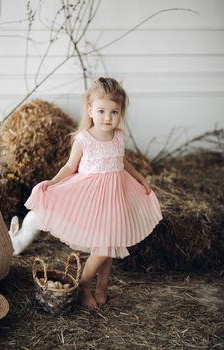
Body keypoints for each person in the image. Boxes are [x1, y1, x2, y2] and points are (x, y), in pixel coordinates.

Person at [24, 77, 163, 310]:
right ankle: (84, 286)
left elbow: (123, 161)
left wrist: (140, 178)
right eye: (101, 111)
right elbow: (70, 167)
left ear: (121, 113)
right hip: (92, 199)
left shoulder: (118, 136)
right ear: (90, 110)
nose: (107, 117)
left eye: (114, 112)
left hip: (116, 197)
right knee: (102, 249)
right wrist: (54, 181)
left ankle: (102, 287)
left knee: (108, 248)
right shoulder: (84, 139)